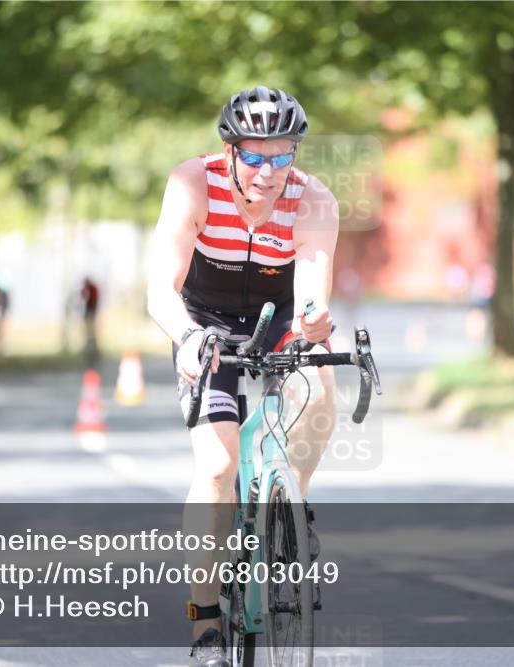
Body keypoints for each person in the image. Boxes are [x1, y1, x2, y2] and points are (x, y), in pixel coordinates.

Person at [146, 86, 339, 667]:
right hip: (204, 318)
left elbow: (310, 288)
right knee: (217, 466)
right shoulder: (192, 184)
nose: (267, 171)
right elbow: (161, 285)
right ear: (229, 151)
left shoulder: (314, 200)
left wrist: (313, 320)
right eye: (254, 156)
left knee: (320, 387)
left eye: (281, 157)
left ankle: (289, 512)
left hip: (277, 313)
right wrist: (185, 336)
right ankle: (205, 619)